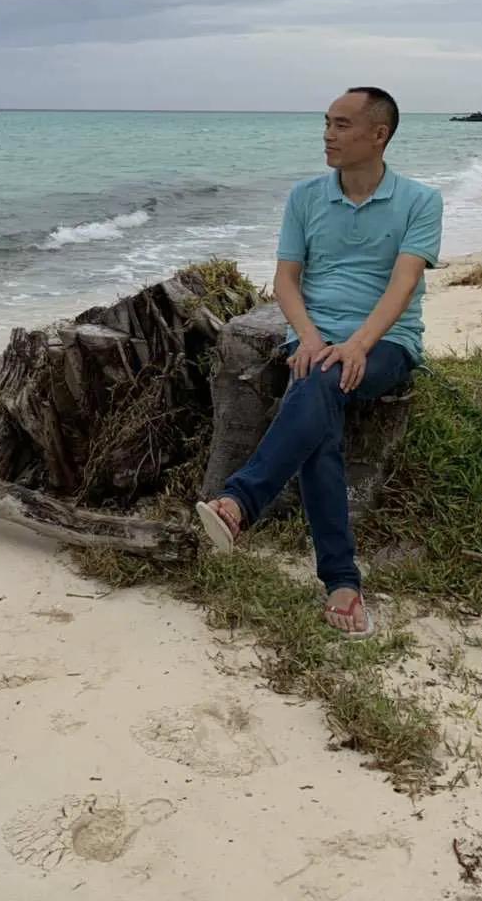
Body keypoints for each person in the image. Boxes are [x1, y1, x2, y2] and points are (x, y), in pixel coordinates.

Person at [196, 87, 443, 638]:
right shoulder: (306, 197)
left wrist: (357, 344)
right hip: (314, 339)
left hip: (386, 342)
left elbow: (404, 285)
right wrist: (307, 336)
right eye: (326, 123)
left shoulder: (421, 201)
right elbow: (286, 279)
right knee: (317, 393)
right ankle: (342, 583)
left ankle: (239, 501)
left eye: (341, 124)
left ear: (378, 135)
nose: (327, 134)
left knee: (321, 383)